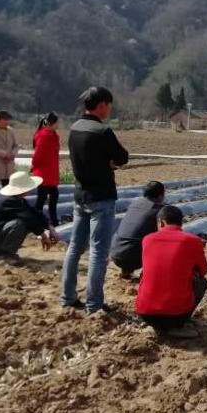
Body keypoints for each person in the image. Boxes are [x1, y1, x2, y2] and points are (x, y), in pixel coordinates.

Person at [61, 86, 130, 314]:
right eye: (108, 105)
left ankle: (68, 296)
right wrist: (109, 163)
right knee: (99, 252)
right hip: (101, 197)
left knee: (74, 248)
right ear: (102, 105)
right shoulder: (102, 131)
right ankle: (94, 304)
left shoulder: (75, 128)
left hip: (80, 194)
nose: (109, 109)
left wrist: (104, 162)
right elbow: (122, 157)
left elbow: (88, 159)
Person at [135, 205, 207, 338]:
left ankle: (157, 326)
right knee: (202, 282)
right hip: (176, 315)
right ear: (181, 222)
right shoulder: (192, 241)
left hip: (145, 313)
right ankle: (177, 326)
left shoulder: (147, 239)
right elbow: (203, 270)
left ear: (161, 222)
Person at [0, 171, 59, 259]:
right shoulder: (8, 201)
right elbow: (28, 218)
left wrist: (49, 227)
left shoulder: (17, 199)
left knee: (27, 221)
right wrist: (43, 235)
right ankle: (7, 255)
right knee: (20, 223)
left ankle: (3, 252)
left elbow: (33, 212)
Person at [109, 181, 166, 277]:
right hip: (135, 259)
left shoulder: (135, 203)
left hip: (115, 252)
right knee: (164, 239)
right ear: (161, 195)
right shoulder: (160, 210)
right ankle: (149, 276)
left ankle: (126, 272)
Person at [31, 112, 61, 227]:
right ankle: (36, 223)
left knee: (53, 199)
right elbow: (38, 155)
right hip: (43, 174)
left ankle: (53, 222)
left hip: (51, 173)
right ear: (52, 123)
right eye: (57, 121)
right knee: (41, 200)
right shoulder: (43, 136)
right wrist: (33, 166)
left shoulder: (53, 135)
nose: (59, 124)